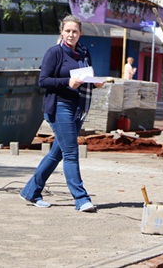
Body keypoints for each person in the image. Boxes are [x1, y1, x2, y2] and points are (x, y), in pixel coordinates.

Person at [20, 15, 104, 212]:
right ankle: (81, 199)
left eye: (75, 31)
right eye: (67, 31)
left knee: (56, 154)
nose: (71, 35)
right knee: (71, 153)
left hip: (78, 107)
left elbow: (86, 76)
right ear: (62, 32)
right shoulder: (54, 53)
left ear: (80, 34)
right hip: (59, 106)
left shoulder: (84, 53)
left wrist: (95, 82)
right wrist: (66, 82)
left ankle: (31, 191)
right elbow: (43, 81)